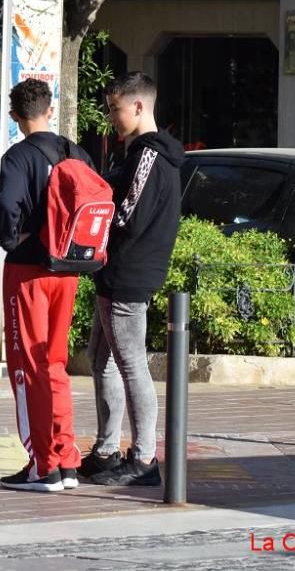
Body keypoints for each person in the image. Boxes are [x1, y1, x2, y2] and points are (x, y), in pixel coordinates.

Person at [79, 72, 184, 487]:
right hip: (118, 271)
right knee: (101, 359)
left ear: (139, 106)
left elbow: (125, 213)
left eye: (115, 108)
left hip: (129, 272)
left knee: (130, 364)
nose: (111, 117)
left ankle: (143, 458)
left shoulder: (149, 156)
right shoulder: (142, 152)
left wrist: (90, 230)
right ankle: (106, 450)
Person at [0, 78, 93, 492]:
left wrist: (9, 238)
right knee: (54, 364)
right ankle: (66, 457)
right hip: (67, 270)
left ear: (15, 116)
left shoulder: (18, 157)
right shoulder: (76, 152)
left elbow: (7, 207)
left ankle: (42, 465)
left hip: (28, 272)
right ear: (50, 110)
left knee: (26, 367)